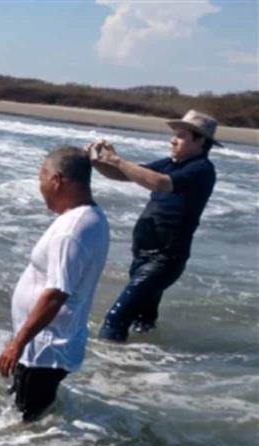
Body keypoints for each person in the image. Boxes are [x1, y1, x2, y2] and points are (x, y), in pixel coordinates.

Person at [0, 146, 110, 423]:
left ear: (57, 180)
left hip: (45, 349)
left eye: (42, 179)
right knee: (34, 418)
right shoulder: (91, 218)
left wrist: (18, 343)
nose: (41, 187)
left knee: (27, 427)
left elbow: (56, 293)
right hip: (51, 346)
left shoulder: (71, 231)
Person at [89, 110, 220, 342]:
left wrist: (118, 159)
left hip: (164, 259)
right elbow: (124, 175)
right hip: (143, 255)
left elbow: (160, 184)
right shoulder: (170, 163)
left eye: (181, 136)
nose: (173, 140)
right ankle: (144, 362)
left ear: (200, 141)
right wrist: (96, 162)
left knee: (115, 319)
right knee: (143, 320)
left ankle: (102, 369)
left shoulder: (201, 169)